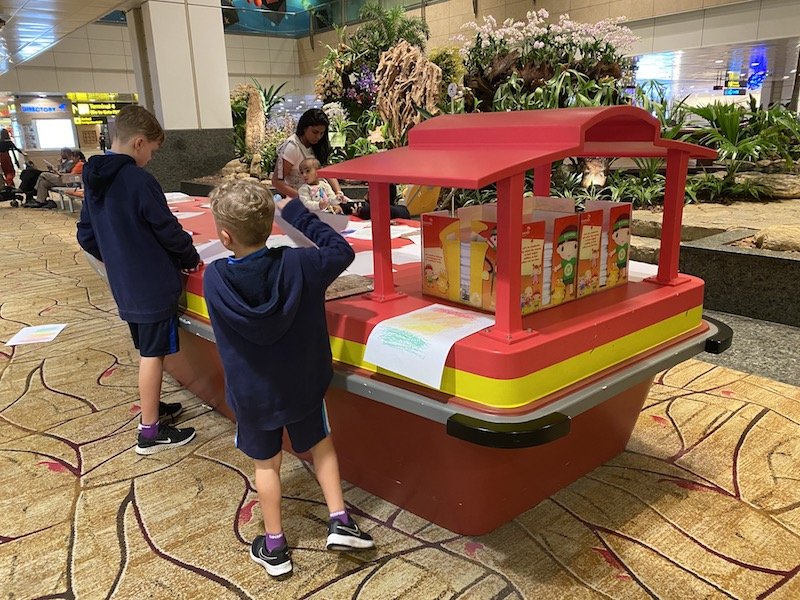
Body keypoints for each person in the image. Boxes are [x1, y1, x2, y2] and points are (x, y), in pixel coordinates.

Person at [203, 180, 374, 578]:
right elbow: (341, 250)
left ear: (225, 236)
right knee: (321, 445)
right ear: (270, 226)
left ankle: (276, 546)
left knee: (267, 466)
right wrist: (296, 211)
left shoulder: (214, 279)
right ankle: (339, 519)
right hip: (303, 384)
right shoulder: (301, 265)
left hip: (253, 395)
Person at [76, 105, 201, 455]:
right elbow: (166, 228)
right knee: (153, 354)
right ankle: (150, 432)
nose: (151, 158)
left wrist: (118, 255)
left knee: (145, 349)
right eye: (153, 151)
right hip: (151, 285)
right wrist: (189, 258)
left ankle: (152, 406)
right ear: (139, 143)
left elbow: (86, 234)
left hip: (125, 284)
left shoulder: (94, 176)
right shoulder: (138, 180)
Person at [272, 108, 345, 201]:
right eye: (315, 132)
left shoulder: (319, 146)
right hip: (300, 200)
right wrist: (303, 198)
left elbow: (326, 171)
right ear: (304, 127)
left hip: (322, 196)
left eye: (322, 133)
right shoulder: (292, 147)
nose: (318, 137)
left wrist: (338, 192)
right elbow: (277, 182)